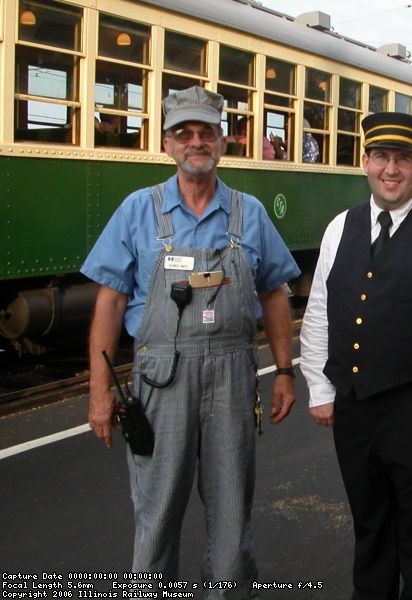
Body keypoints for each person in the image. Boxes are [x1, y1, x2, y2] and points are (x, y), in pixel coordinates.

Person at [82, 85, 300, 589]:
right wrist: (99, 391)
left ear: (222, 143)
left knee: (231, 513)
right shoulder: (139, 209)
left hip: (232, 377)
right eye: (184, 133)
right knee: (156, 512)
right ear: (167, 144)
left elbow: (274, 294)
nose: (196, 142)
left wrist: (284, 371)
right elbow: (110, 301)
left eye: (206, 133)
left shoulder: (250, 213)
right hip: (161, 379)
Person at [299, 112, 412, 599]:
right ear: (365, 162)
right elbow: (320, 313)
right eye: (380, 157)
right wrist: (322, 388)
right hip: (355, 408)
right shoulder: (340, 227)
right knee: (370, 526)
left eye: (402, 159)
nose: (389, 169)